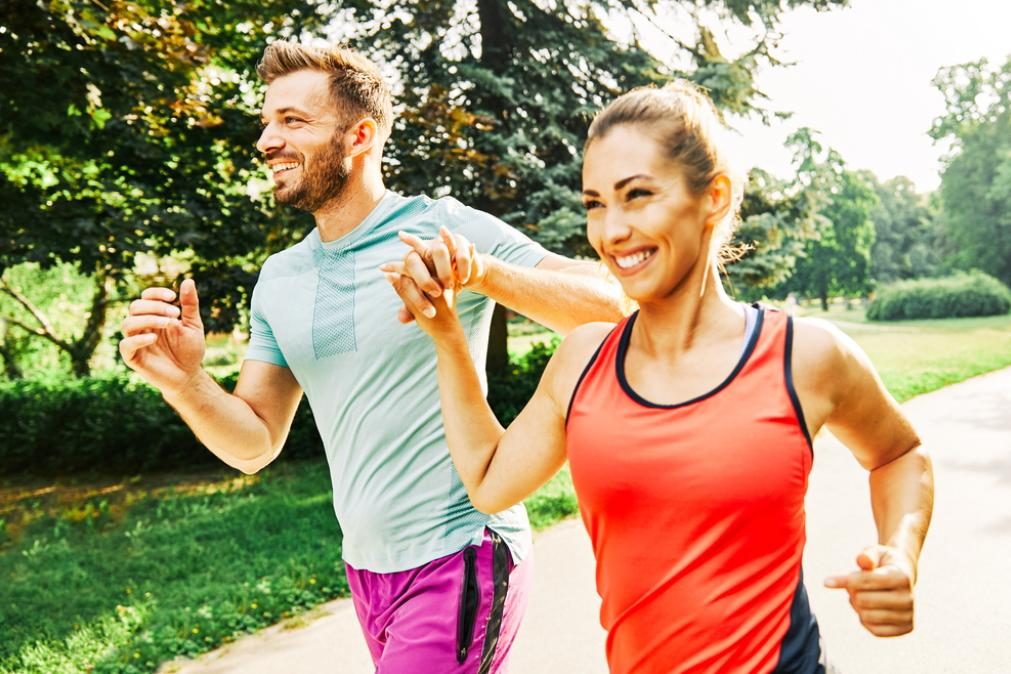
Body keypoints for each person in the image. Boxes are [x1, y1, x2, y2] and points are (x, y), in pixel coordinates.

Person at [386, 81, 934, 674]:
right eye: (595, 203)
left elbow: (900, 454)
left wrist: (900, 555)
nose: (611, 230)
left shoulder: (803, 355)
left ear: (714, 197)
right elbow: (489, 482)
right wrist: (446, 338)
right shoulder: (584, 360)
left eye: (638, 195)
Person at [118, 41, 625, 673]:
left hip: (462, 549)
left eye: (293, 121)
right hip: (366, 571)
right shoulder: (280, 278)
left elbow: (612, 307)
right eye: (267, 122)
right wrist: (186, 381)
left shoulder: (444, 226)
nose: (266, 140)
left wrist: (482, 271)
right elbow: (255, 444)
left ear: (360, 136)